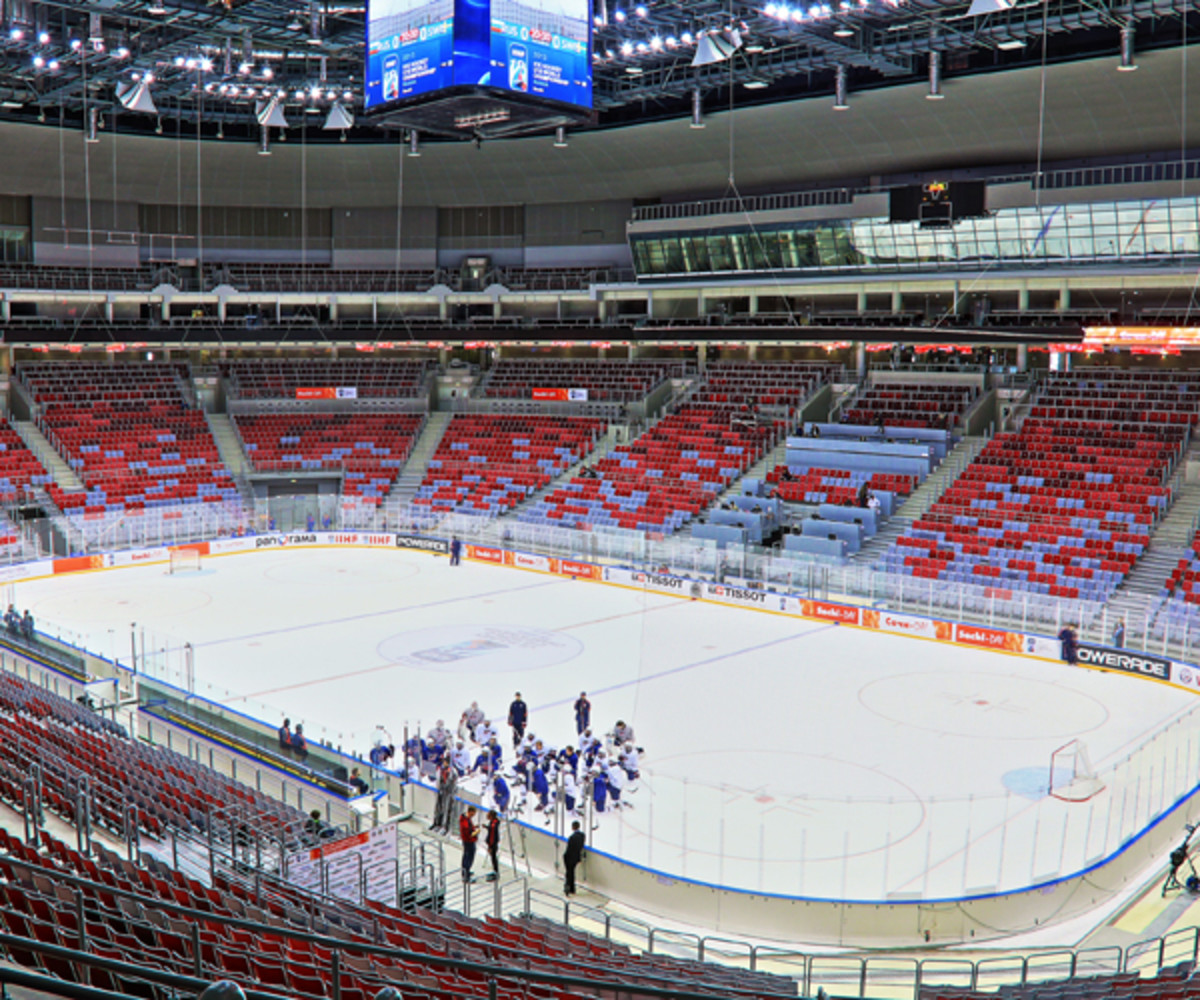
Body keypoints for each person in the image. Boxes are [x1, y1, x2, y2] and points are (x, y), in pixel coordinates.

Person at [563, 820, 586, 896]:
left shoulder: (572, 838)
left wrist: (565, 856)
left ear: (573, 827)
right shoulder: (582, 836)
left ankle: (568, 887)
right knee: (571, 872)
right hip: (576, 858)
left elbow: (569, 849)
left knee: (569, 873)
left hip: (570, 858)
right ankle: (572, 888)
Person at [459, 806, 479, 882]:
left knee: (466, 855)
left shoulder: (466, 819)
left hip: (466, 840)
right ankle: (466, 876)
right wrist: (476, 832)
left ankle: (465, 872)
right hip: (468, 841)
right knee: (469, 857)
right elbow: (468, 832)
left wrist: (473, 827)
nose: (473, 815)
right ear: (470, 812)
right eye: (473, 813)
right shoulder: (465, 821)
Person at [485, 809, 501, 881]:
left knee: (494, 858)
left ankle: (496, 873)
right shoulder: (493, 823)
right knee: (493, 858)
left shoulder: (493, 825)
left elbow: (492, 837)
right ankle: (495, 871)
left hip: (493, 844)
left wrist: (490, 846)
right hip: (493, 843)